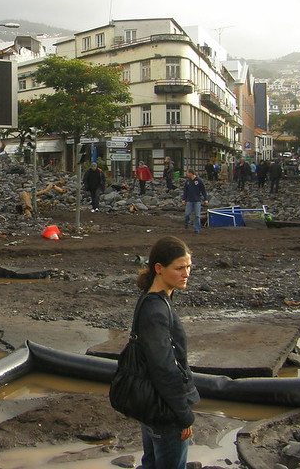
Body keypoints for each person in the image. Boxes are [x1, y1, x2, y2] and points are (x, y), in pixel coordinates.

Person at [133, 236, 200, 469]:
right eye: (179, 268)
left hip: (152, 405)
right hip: (165, 410)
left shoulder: (154, 301)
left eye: (189, 267)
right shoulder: (156, 310)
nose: (186, 274)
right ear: (159, 268)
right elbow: (163, 367)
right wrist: (183, 414)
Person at [181, 168, 208, 234]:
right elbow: (185, 191)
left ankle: (196, 229)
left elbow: (203, 190)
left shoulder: (199, 181)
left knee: (197, 215)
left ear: (190, 173)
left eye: (187, 173)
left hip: (197, 200)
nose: (186, 174)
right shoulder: (187, 181)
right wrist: (183, 199)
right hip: (189, 200)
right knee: (187, 214)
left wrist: (205, 199)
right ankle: (186, 223)